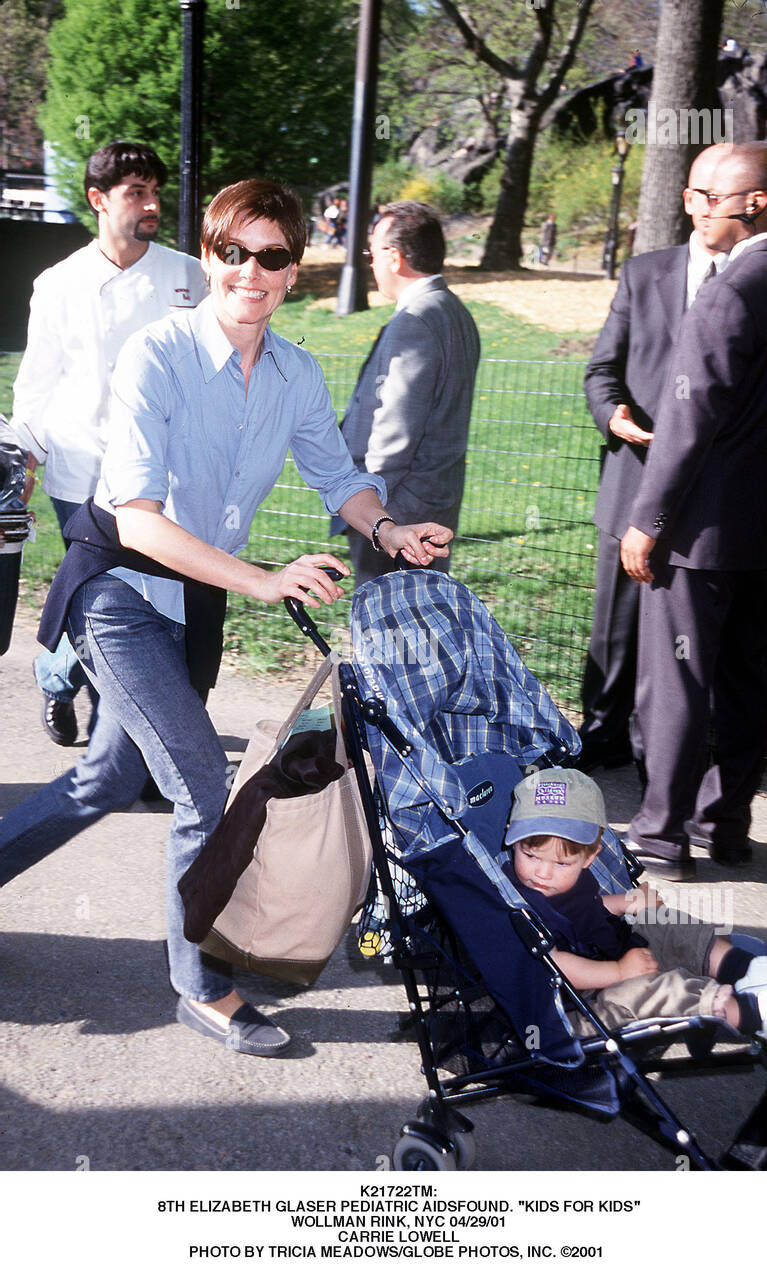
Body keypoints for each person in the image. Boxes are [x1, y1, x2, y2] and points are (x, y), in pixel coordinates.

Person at [0, 177, 453, 1056]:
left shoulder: (292, 369)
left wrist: (391, 530)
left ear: (293, 272)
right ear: (207, 258)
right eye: (232, 252)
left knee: (104, 781)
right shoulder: (156, 354)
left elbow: (339, 476)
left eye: (273, 256)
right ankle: (201, 987)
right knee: (203, 789)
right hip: (117, 590)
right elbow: (135, 516)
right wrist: (263, 580)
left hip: (193, 601)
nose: (251, 271)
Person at [12, 141, 208, 748]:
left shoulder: (187, 276)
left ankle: (59, 674)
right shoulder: (59, 284)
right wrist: (23, 454)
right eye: (135, 194)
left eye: (155, 192)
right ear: (98, 200)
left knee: (133, 599)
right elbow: (38, 378)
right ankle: (118, 748)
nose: (151, 204)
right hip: (81, 473)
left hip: (159, 475)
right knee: (108, 599)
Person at [620, 142, 767, 879]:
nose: (697, 208)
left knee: (677, 683)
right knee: (748, 682)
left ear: (754, 205)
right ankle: (724, 825)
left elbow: (687, 421)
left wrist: (646, 520)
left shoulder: (732, 289)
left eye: (710, 196)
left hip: (702, 533)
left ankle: (660, 836)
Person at [580, 143, 737, 777]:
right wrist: (613, 414)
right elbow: (600, 370)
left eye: (716, 198)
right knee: (614, 632)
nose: (703, 210)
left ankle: (670, 754)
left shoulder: (751, 281)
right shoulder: (644, 273)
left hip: (710, 498)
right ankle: (602, 734)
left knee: (686, 641)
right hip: (632, 482)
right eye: (695, 196)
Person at [503, 769, 767, 1039]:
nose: (543, 873)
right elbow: (553, 964)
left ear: (589, 857)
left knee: (663, 922)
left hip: (609, 958)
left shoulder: (571, 881)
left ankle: (744, 968)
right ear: (511, 838)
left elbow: (585, 909)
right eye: (531, 855)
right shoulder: (512, 899)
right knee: (659, 990)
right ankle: (746, 1012)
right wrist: (617, 971)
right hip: (575, 1007)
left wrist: (625, 902)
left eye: (561, 863)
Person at [333, 200, 481, 588]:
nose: (370, 262)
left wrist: (370, 509)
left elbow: (393, 430)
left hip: (397, 512)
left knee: (387, 632)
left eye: (372, 252)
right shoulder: (453, 309)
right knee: (417, 631)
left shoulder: (415, 319)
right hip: (432, 505)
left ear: (395, 257)